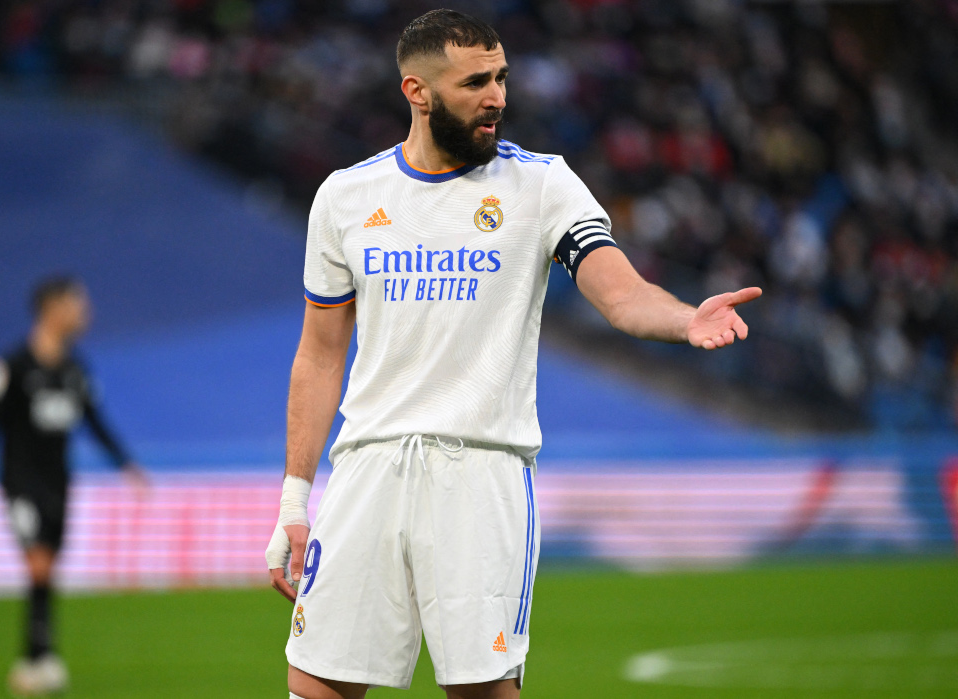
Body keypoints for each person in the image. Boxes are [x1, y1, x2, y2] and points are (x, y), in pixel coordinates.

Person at [264, 10, 762, 699]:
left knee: (481, 692)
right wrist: (294, 497)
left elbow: (619, 293)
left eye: (501, 77)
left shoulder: (542, 185)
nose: (497, 95)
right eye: (475, 82)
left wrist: (685, 318)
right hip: (367, 469)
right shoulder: (347, 197)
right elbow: (319, 356)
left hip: (480, 472)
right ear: (417, 91)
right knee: (315, 686)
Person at [0, 275, 146, 696]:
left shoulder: (74, 371)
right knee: (39, 564)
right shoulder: (11, 366)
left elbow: (95, 422)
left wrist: (126, 465)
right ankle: (34, 661)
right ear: (53, 308)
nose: (86, 312)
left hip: (58, 485)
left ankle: (41, 657)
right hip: (20, 484)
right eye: (78, 304)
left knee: (47, 571)